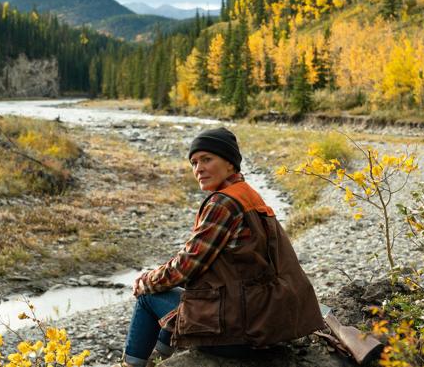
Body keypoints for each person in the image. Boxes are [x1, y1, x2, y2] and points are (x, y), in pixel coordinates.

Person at [113, 127, 324, 367]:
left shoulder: (223, 203)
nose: (198, 169)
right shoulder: (250, 196)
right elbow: (204, 262)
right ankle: (160, 360)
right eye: (194, 162)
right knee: (179, 300)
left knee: (148, 297)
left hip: (238, 331)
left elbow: (186, 266)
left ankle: (134, 364)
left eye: (206, 159)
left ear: (230, 164)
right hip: (266, 321)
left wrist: (146, 281)